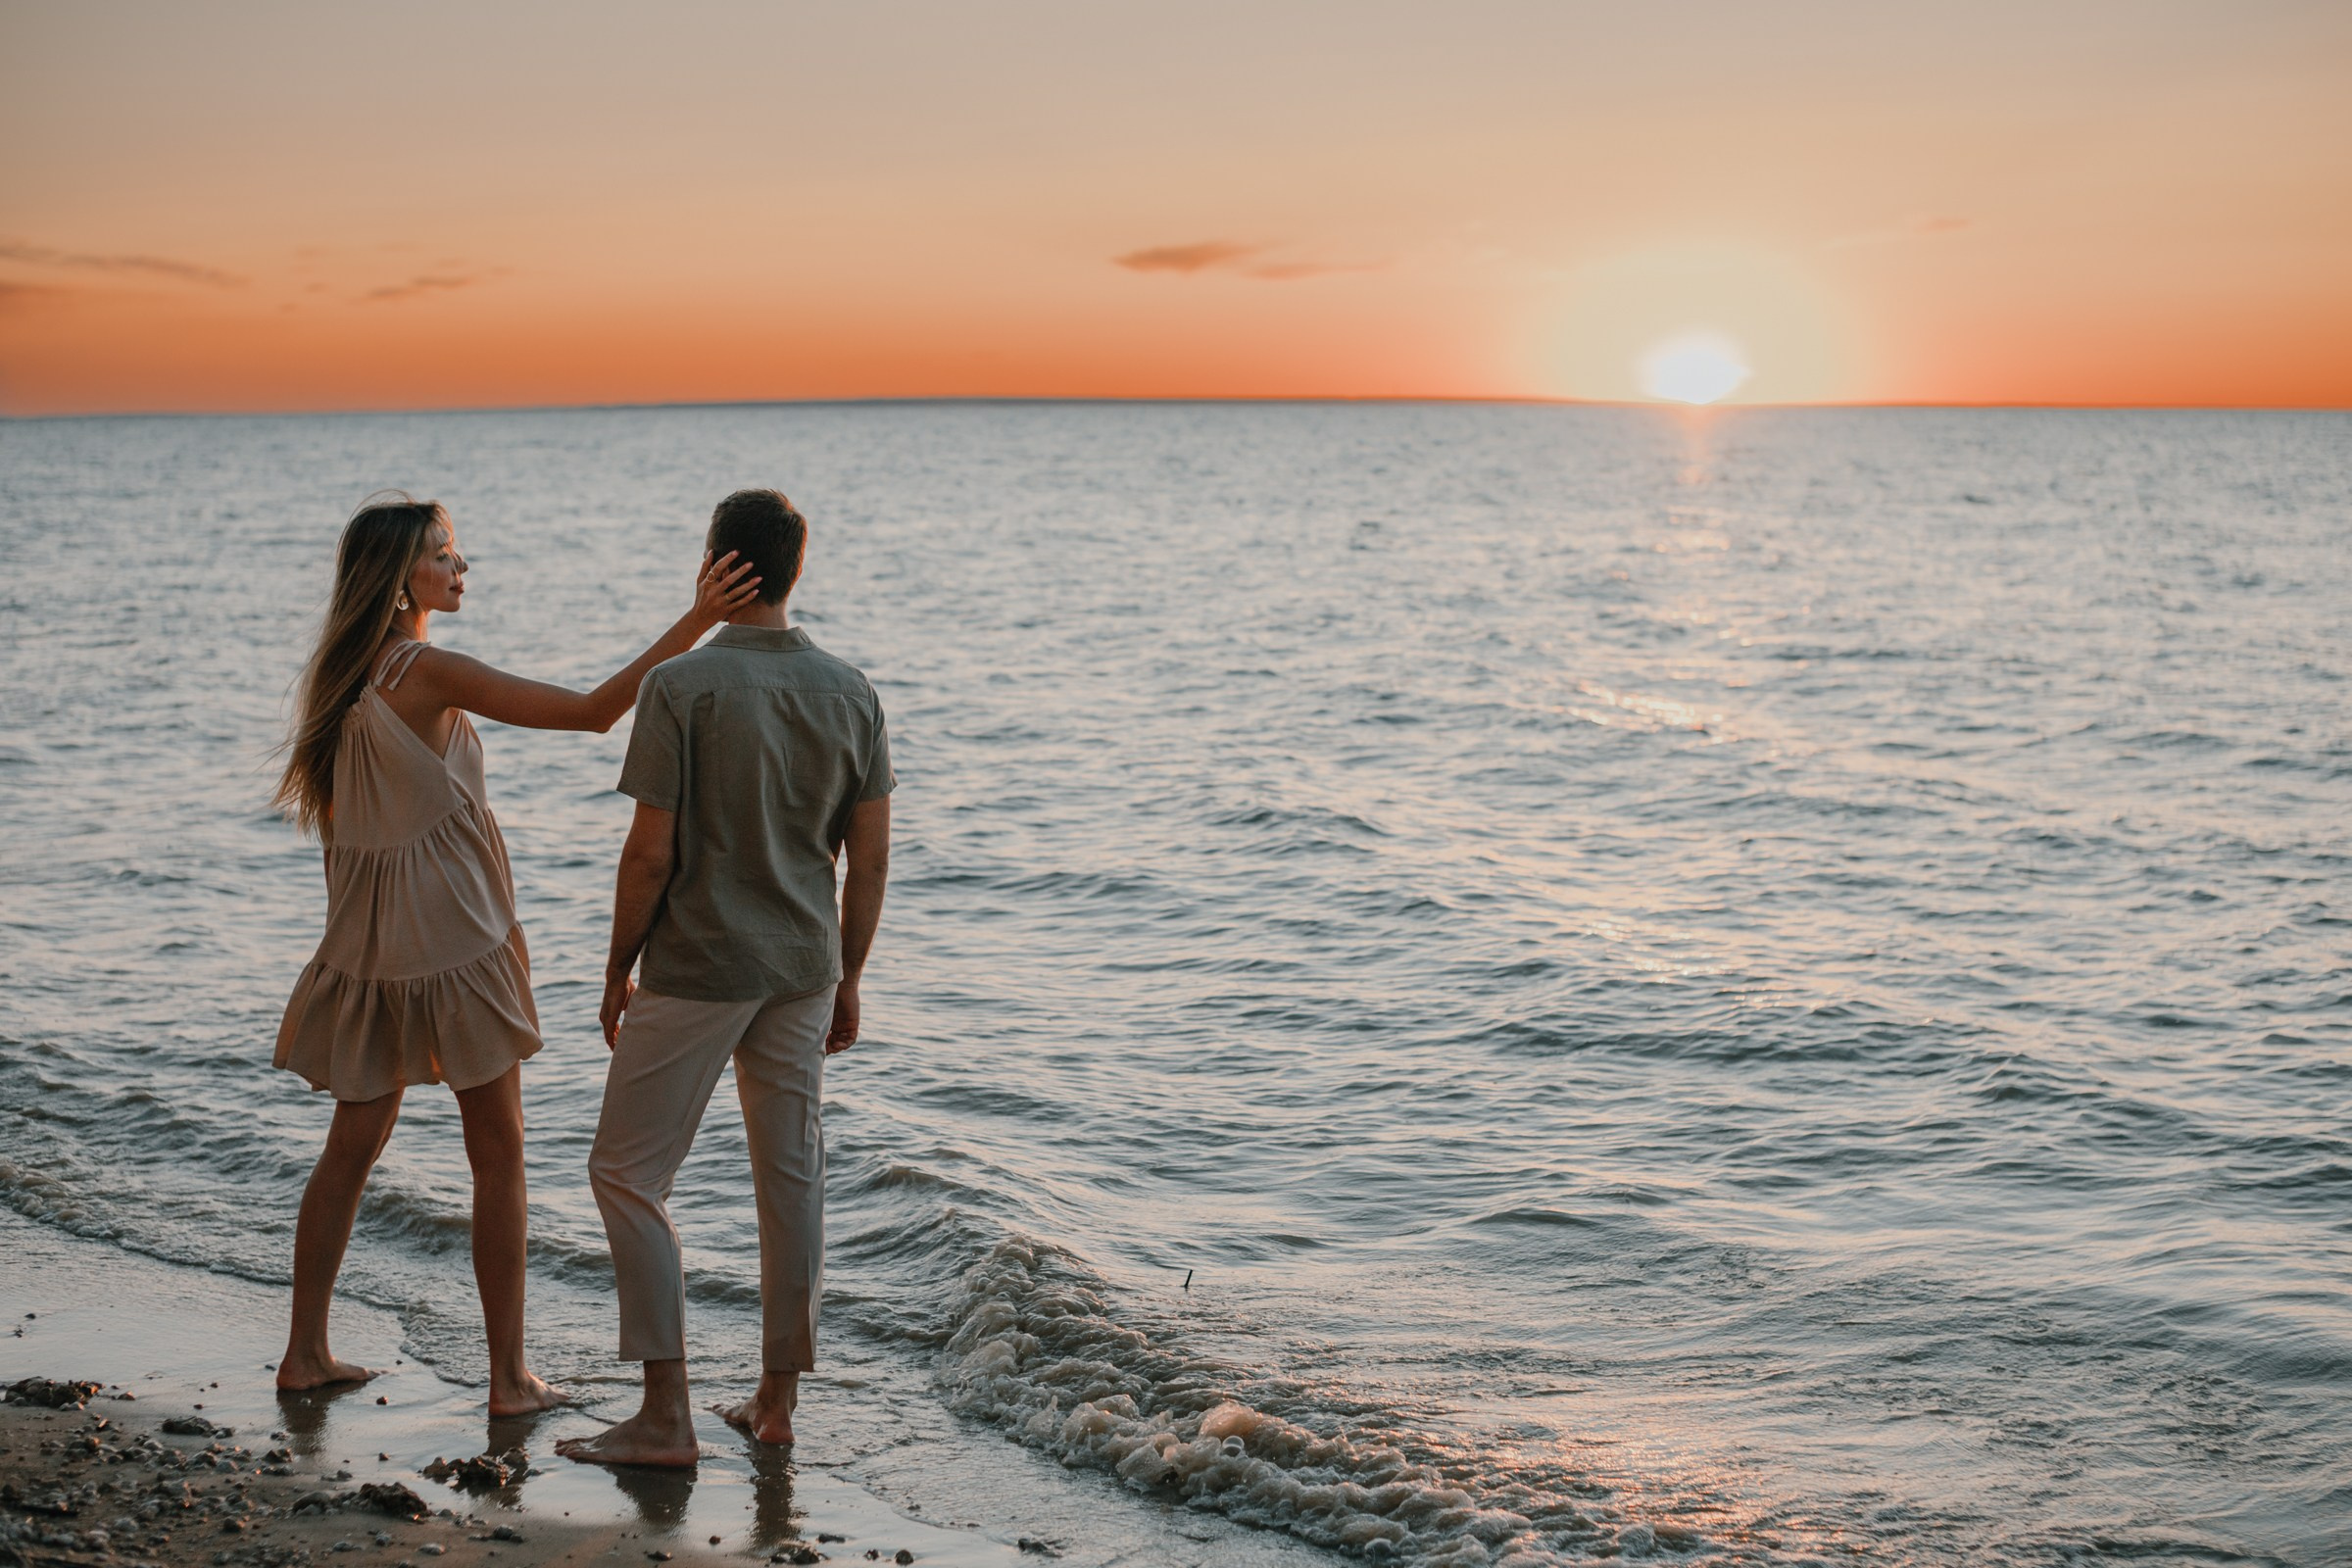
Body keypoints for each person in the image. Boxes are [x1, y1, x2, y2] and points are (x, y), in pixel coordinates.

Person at [271, 491, 761, 1415]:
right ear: (400, 578)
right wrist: (698, 617)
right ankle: (508, 1379)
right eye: (443, 554)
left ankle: (305, 1353)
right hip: (455, 943)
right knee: (499, 1156)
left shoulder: (342, 678)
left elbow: (350, 841)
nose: (461, 567)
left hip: (371, 951)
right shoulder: (427, 670)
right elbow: (592, 713)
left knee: (350, 1150)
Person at [556, 488, 892, 1467]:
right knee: (792, 1179)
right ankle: (775, 1405)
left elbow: (648, 854)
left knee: (626, 1173)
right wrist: (851, 976)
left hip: (699, 964)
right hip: (803, 966)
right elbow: (869, 859)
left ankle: (665, 1415)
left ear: (713, 566)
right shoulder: (852, 691)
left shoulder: (679, 686)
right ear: (796, 569)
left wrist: (616, 965)